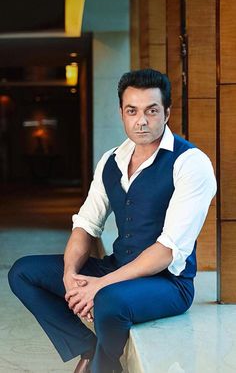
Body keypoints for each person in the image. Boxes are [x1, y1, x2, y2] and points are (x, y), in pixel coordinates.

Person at [8, 69, 217, 373]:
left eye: (152, 110)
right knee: (24, 272)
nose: (141, 120)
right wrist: (70, 273)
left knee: (108, 299)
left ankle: (104, 368)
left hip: (168, 283)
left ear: (167, 112)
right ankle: (86, 347)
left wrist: (99, 285)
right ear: (121, 112)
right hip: (118, 267)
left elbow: (168, 251)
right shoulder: (111, 160)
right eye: (132, 111)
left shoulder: (190, 162)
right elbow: (86, 224)